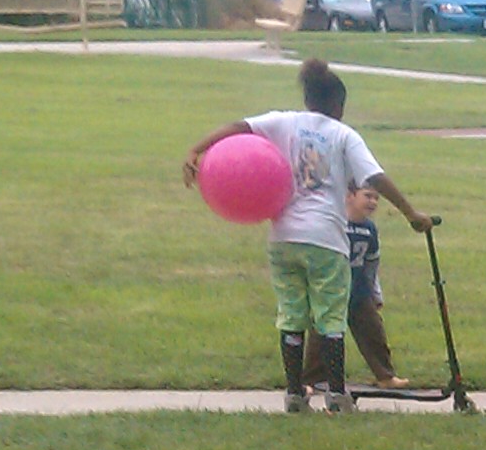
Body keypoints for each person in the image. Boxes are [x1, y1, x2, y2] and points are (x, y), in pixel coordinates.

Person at [182, 58, 432, 413]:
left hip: (284, 238)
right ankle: (336, 394)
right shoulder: (343, 134)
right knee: (330, 317)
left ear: (308, 99)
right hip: (326, 239)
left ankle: (295, 393)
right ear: (338, 105)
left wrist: (197, 149)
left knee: (291, 315)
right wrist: (410, 213)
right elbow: (374, 177)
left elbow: (238, 127)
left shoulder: (284, 122)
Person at [342, 185, 402, 387]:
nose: (373, 202)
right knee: (321, 336)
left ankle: (385, 376)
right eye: (367, 196)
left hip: (359, 290)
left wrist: (375, 293)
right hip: (331, 290)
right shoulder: (336, 223)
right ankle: (311, 379)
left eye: (376, 198)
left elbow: (371, 264)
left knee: (373, 331)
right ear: (350, 196)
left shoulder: (369, 229)